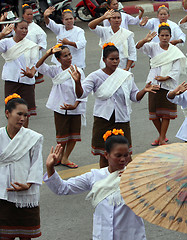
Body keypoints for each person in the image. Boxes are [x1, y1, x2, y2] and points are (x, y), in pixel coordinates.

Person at [44, 130, 147, 240]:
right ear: (106, 155)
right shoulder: (94, 176)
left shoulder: (136, 177)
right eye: (118, 155)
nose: (123, 159)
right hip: (102, 235)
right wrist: (50, 168)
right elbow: (62, 188)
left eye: (126, 155)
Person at [73, 43, 159, 168]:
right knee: (104, 155)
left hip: (121, 119)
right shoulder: (95, 76)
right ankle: (105, 182)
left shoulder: (125, 76)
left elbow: (134, 97)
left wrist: (144, 90)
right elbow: (81, 94)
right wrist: (77, 83)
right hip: (103, 119)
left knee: (126, 156)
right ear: (104, 60)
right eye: (111, 59)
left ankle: (125, 181)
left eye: (117, 58)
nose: (115, 61)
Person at [35, 44, 86, 169]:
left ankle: (65, 157)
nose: (69, 57)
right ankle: (59, 156)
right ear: (58, 59)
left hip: (75, 107)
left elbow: (84, 90)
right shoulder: (55, 71)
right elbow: (39, 66)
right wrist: (48, 53)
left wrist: (75, 105)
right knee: (62, 137)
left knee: (74, 136)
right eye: (65, 56)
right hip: (60, 108)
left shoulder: (78, 71)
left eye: (69, 54)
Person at [0, 94, 43, 239]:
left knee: (26, 235)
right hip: (3, 194)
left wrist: (29, 184)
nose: (23, 118)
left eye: (25, 115)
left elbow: (36, 163)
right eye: (19, 114)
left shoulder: (33, 138)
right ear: (7, 113)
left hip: (26, 194)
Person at [136, 24, 187, 146]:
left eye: (167, 35)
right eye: (162, 35)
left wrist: (166, 77)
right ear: (158, 36)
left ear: (170, 36)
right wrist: (145, 40)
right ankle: (161, 136)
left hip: (168, 85)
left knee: (166, 114)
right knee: (154, 115)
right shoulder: (152, 47)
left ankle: (162, 138)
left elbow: (176, 69)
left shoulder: (174, 51)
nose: (164, 38)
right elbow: (138, 47)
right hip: (153, 83)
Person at [0, 22, 39, 127]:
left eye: (26, 28)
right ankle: (13, 136)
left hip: (26, 82)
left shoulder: (30, 45)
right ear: (14, 29)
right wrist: (2, 34)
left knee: (25, 112)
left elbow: (35, 63)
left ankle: (23, 135)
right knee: (12, 110)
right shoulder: (6, 42)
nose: (24, 31)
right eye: (21, 28)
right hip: (11, 80)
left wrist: (32, 73)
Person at [22, 4, 47, 84]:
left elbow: (42, 43)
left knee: (30, 82)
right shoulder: (17, 25)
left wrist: (33, 48)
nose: (30, 16)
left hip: (31, 59)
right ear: (23, 15)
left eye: (31, 14)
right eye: (28, 14)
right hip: (19, 57)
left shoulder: (37, 29)